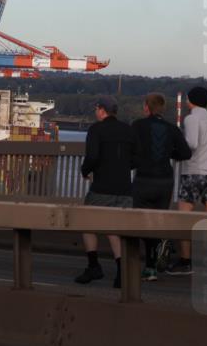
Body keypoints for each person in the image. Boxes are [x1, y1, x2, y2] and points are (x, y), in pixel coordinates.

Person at [74, 96, 137, 288]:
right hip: (125, 189)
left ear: (102, 110)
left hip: (102, 187)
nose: (95, 112)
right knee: (114, 229)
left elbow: (92, 156)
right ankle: (121, 273)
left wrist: (85, 171)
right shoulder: (128, 130)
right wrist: (122, 167)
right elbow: (137, 157)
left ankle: (94, 266)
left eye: (96, 109)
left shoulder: (96, 129)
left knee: (87, 224)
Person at [170, 86, 207, 278]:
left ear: (191, 101)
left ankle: (186, 262)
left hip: (193, 173)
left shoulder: (191, 118)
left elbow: (192, 144)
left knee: (184, 219)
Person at [131, 93, 192, 281]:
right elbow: (185, 153)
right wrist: (168, 152)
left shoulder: (138, 126)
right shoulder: (172, 129)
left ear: (147, 107)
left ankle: (149, 266)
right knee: (158, 220)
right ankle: (161, 246)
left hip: (144, 179)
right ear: (162, 108)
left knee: (140, 223)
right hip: (165, 180)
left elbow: (130, 149)